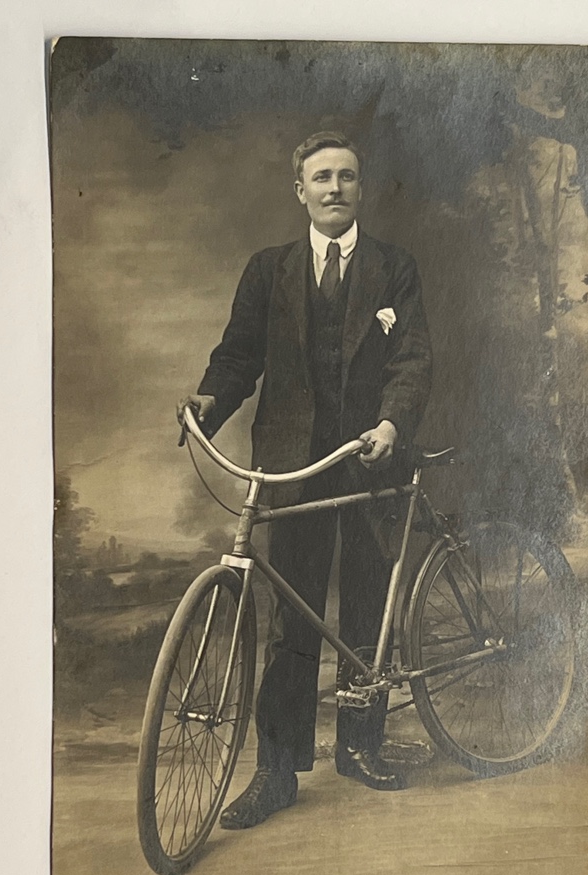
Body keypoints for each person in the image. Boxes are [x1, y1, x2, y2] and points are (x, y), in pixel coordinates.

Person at [183, 131, 432, 829]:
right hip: (291, 466)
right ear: (300, 190)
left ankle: (360, 747)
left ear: (361, 188)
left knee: (364, 607)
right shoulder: (269, 271)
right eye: (320, 177)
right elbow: (238, 357)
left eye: (346, 177)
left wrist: (390, 425)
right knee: (293, 619)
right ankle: (276, 771)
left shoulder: (393, 267)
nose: (333, 188)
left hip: (368, 460)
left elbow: (412, 358)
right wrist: (211, 398)